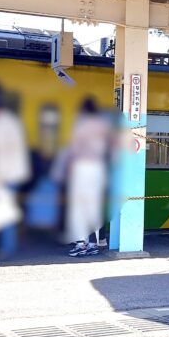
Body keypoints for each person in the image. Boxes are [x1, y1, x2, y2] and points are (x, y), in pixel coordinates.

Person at [0, 85, 31, 257]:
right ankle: (4, 246)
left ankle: (6, 248)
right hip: (14, 173)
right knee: (5, 209)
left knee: (4, 211)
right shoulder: (9, 120)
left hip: (6, 175)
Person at [58, 98, 110, 257]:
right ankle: (93, 243)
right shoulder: (102, 127)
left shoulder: (80, 126)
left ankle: (81, 243)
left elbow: (74, 150)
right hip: (98, 170)